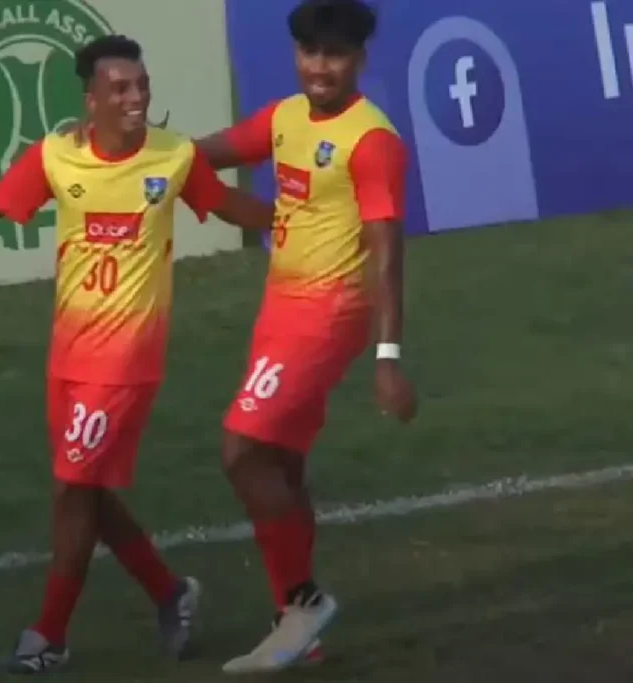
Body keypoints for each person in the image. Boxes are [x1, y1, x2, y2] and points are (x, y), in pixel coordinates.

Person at [0, 35, 275, 675]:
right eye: (120, 88)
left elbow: (229, 205)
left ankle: (48, 635)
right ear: (92, 99)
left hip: (125, 362)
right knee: (86, 492)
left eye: (141, 85)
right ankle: (169, 592)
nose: (136, 98)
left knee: (72, 490)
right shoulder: (57, 156)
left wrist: (297, 218)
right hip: (68, 357)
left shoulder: (175, 158)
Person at [192, 0, 419, 673]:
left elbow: (387, 252)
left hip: (330, 311)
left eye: (335, 55)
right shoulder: (285, 117)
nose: (320, 68)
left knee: (241, 449)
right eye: (310, 53)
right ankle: (299, 630)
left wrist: (387, 357)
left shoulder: (370, 140)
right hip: (281, 306)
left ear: (360, 60)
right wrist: (134, 147)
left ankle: (302, 600)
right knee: (282, 464)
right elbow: (208, 152)